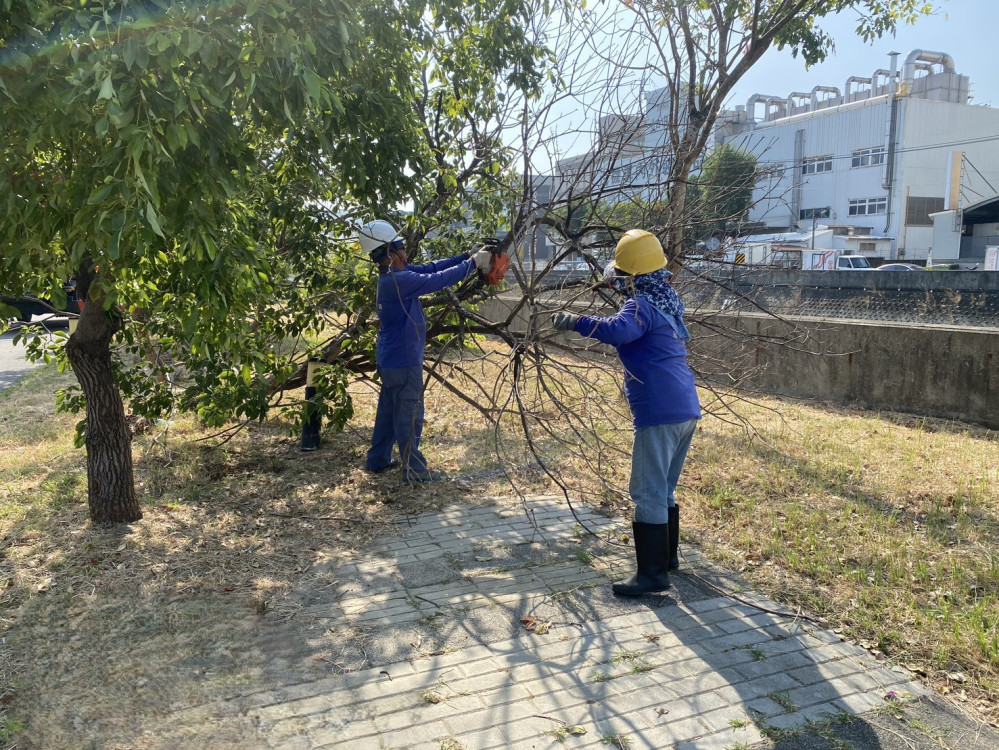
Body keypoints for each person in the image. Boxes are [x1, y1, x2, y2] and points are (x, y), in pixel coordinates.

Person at [551, 229, 700, 596]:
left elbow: (620, 330)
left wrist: (575, 321)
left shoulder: (640, 306)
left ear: (631, 275)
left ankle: (651, 577)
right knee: (663, 487)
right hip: (685, 408)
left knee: (646, 490)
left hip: (659, 411)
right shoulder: (666, 300)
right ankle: (666, 560)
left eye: (621, 273)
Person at [359, 219, 492, 482]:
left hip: (391, 358)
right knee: (409, 413)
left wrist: (465, 256)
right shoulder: (399, 282)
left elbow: (431, 267)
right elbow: (438, 279)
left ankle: (378, 459)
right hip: (404, 360)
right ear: (391, 253)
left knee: (388, 410)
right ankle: (415, 471)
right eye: (401, 248)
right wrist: (474, 264)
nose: (405, 253)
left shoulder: (392, 277)